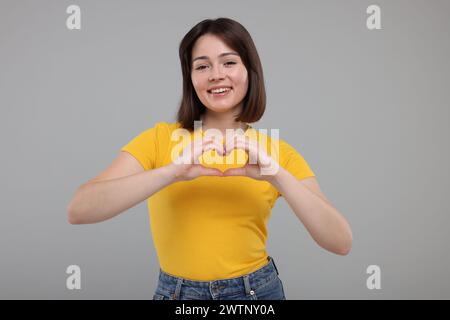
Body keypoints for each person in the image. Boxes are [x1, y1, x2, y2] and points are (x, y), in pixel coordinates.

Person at [67, 17, 353, 300]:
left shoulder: (276, 153)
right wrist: (171, 172)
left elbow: (340, 242)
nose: (216, 74)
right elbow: (79, 210)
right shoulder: (159, 140)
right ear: (191, 78)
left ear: (250, 71)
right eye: (202, 66)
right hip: (177, 297)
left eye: (229, 62)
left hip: (256, 295)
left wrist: (276, 174)